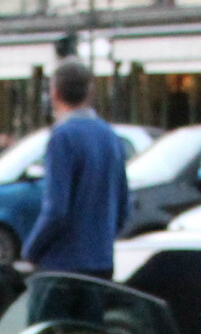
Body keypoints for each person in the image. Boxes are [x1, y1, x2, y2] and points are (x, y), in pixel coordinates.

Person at [21, 58, 131, 277]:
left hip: (63, 266)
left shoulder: (62, 137)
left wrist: (31, 251)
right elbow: (123, 207)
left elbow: (56, 210)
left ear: (55, 93)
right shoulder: (110, 136)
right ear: (90, 92)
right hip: (101, 263)